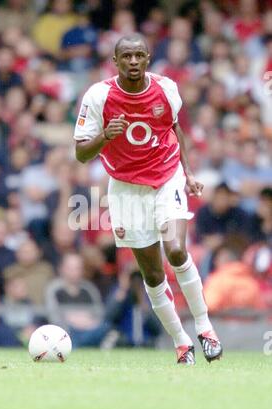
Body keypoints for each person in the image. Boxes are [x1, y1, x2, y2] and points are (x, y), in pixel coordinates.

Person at [74, 33, 223, 365]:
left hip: (166, 176)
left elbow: (173, 129)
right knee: (153, 275)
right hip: (126, 188)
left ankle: (205, 328)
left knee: (177, 250)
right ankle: (182, 343)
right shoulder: (98, 96)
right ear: (115, 62)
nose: (133, 61)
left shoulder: (166, 88)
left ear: (148, 58)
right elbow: (81, 153)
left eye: (139, 55)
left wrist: (189, 172)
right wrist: (104, 136)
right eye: (126, 56)